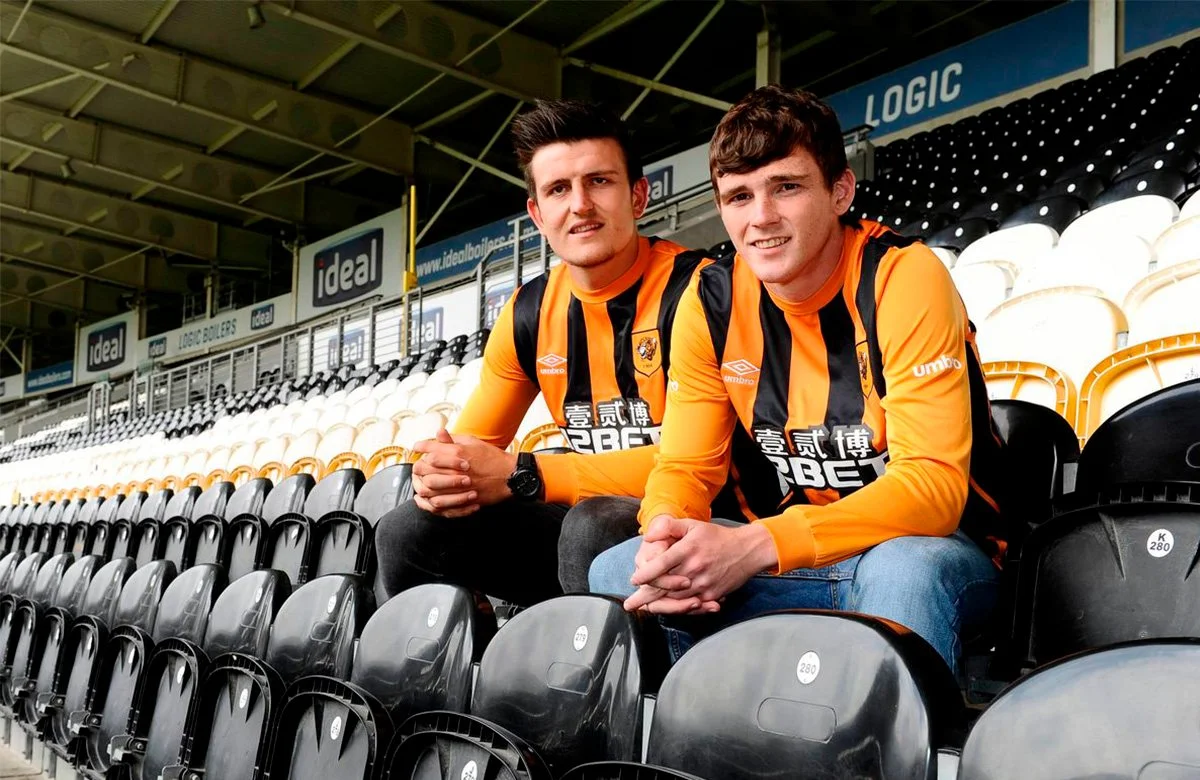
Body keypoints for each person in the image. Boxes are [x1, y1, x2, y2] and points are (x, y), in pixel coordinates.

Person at [588, 85, 1019, 675]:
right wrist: (666, 530)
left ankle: (890, 732)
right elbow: (686, 467)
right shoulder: (711, 302)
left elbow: (933, 491)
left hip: (936, 550)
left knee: (904, 571)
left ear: (840, 191)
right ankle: (705, 721)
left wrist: (756, 545)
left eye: (786, 187)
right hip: (799, 558)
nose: (761, 218)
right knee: (621, 569)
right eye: (739, 196)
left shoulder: (902, 275)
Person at [374, 100, 747, 606]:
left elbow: (698, 463)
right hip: (583, 519)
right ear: (537, 214)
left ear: (638, 196)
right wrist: (442, 475)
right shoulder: (530, 311)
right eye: (558, 190)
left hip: (710, 520)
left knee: (594, 525)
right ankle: (463, 650)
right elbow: (469, 452)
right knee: (406, 530)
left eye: (599, 181)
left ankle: (606, 659)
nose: (580, 205)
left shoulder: (703, 291)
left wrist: (526, 473)